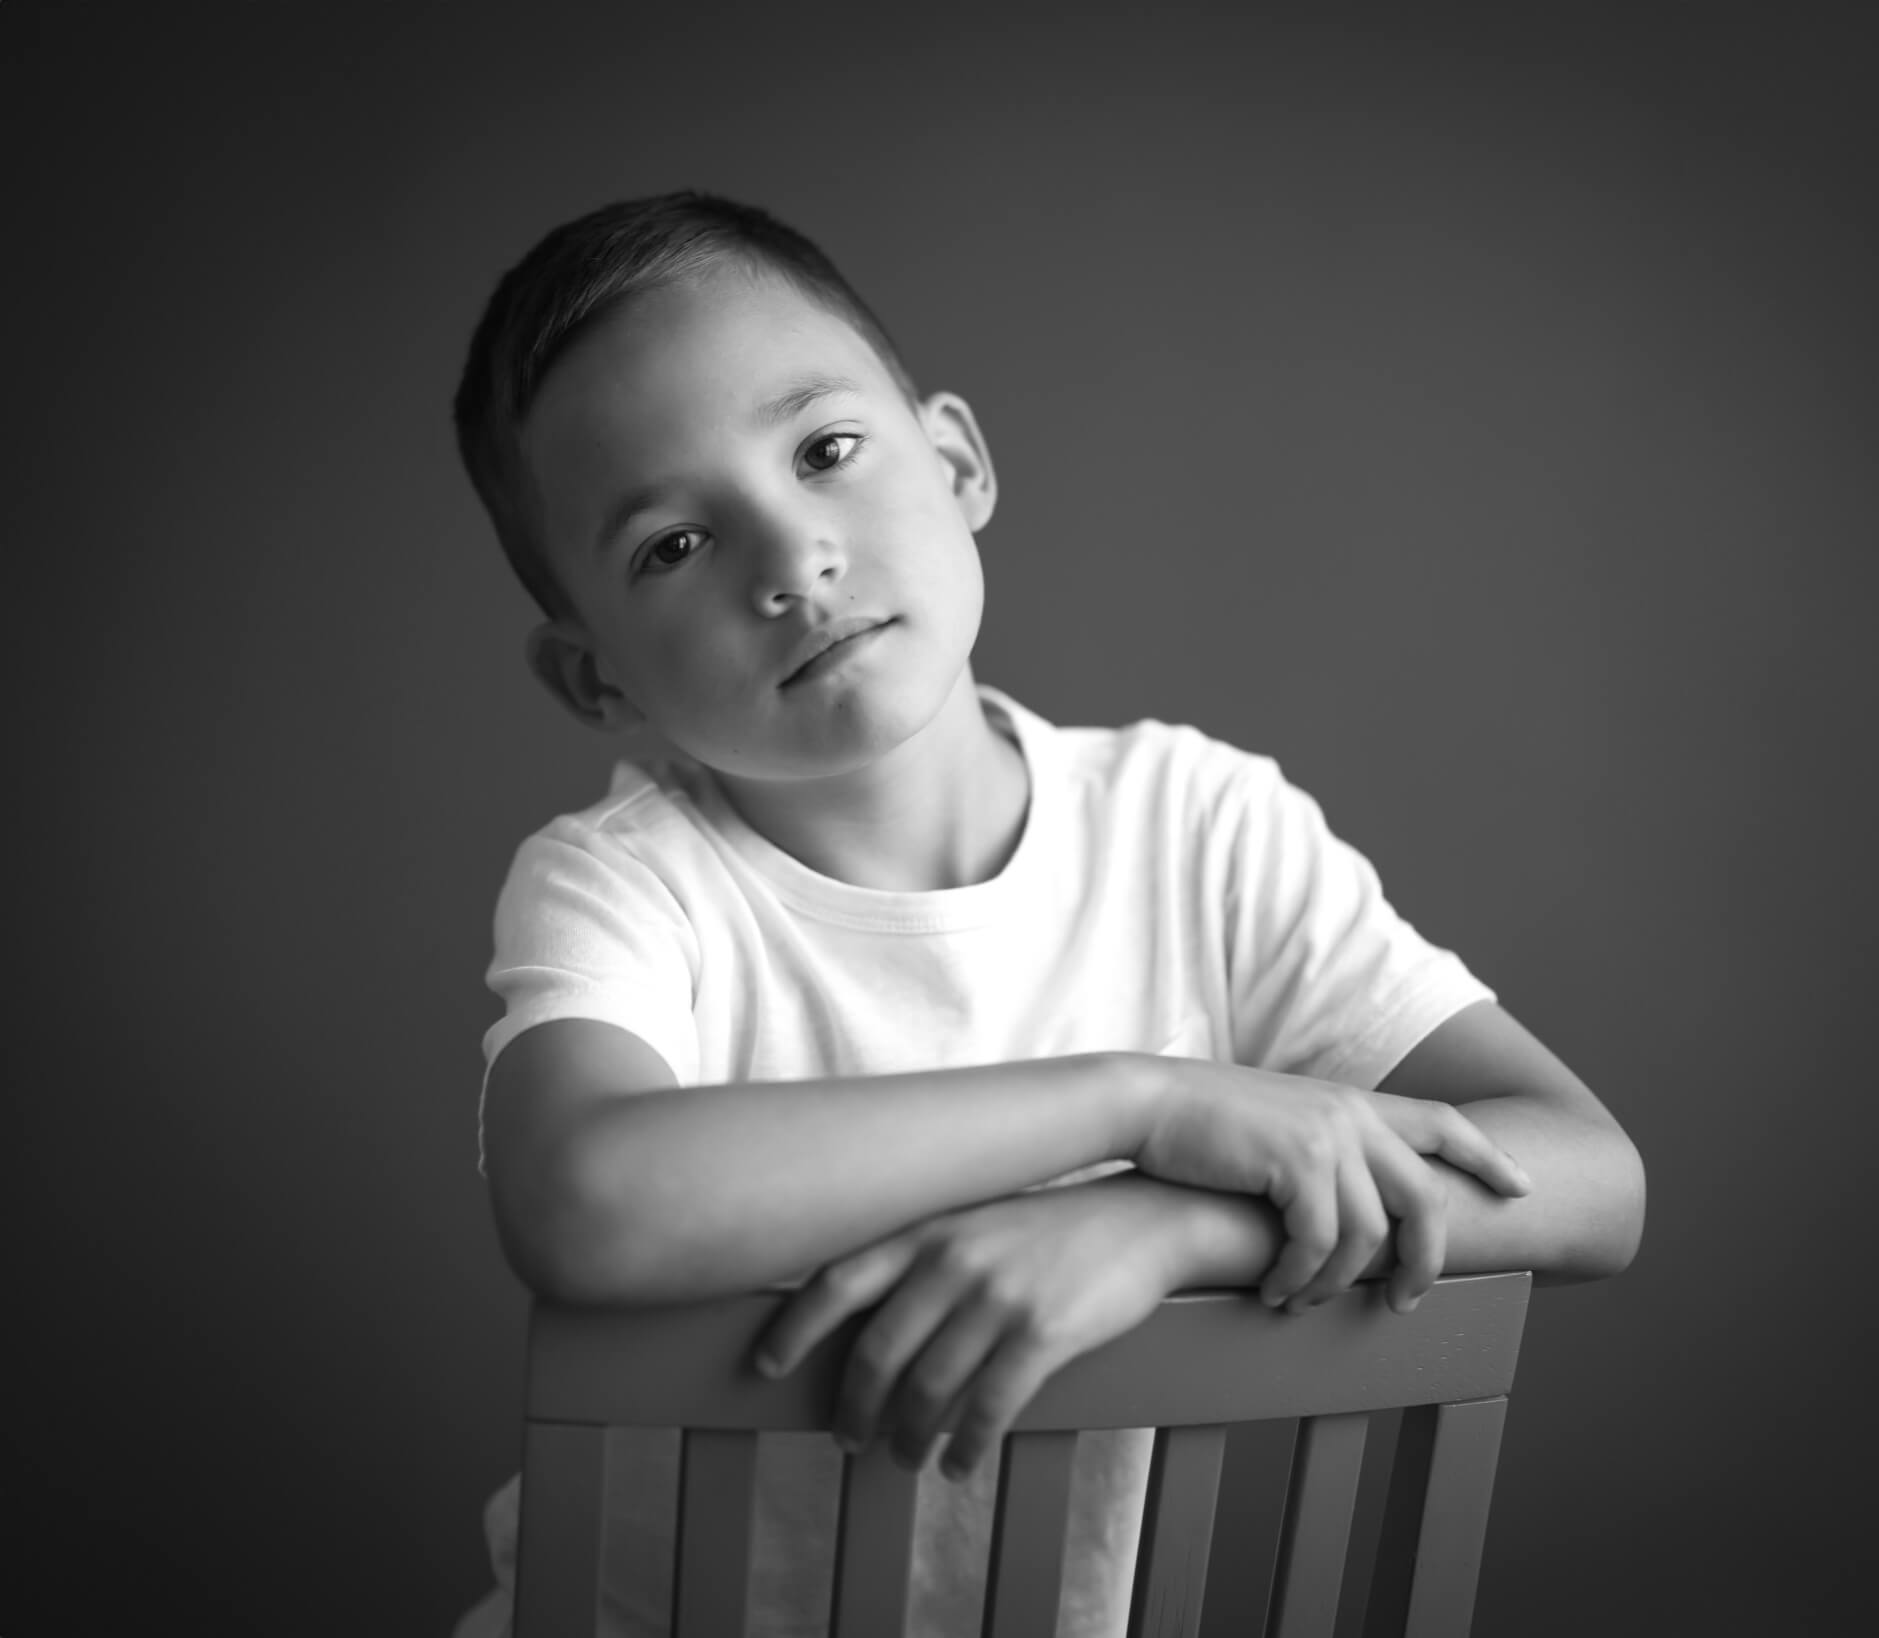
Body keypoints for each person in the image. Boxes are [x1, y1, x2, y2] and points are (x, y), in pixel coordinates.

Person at [445, 190, 1646, 1638]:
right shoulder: (631, 882)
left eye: (827, 451)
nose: (791, 560)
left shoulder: (1191, 826)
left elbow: (1587, 1180)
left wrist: (1163, 1228)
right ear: (597, 682)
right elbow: (584, 1199)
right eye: (671, 547)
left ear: (956, 462)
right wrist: (1135, 1103)